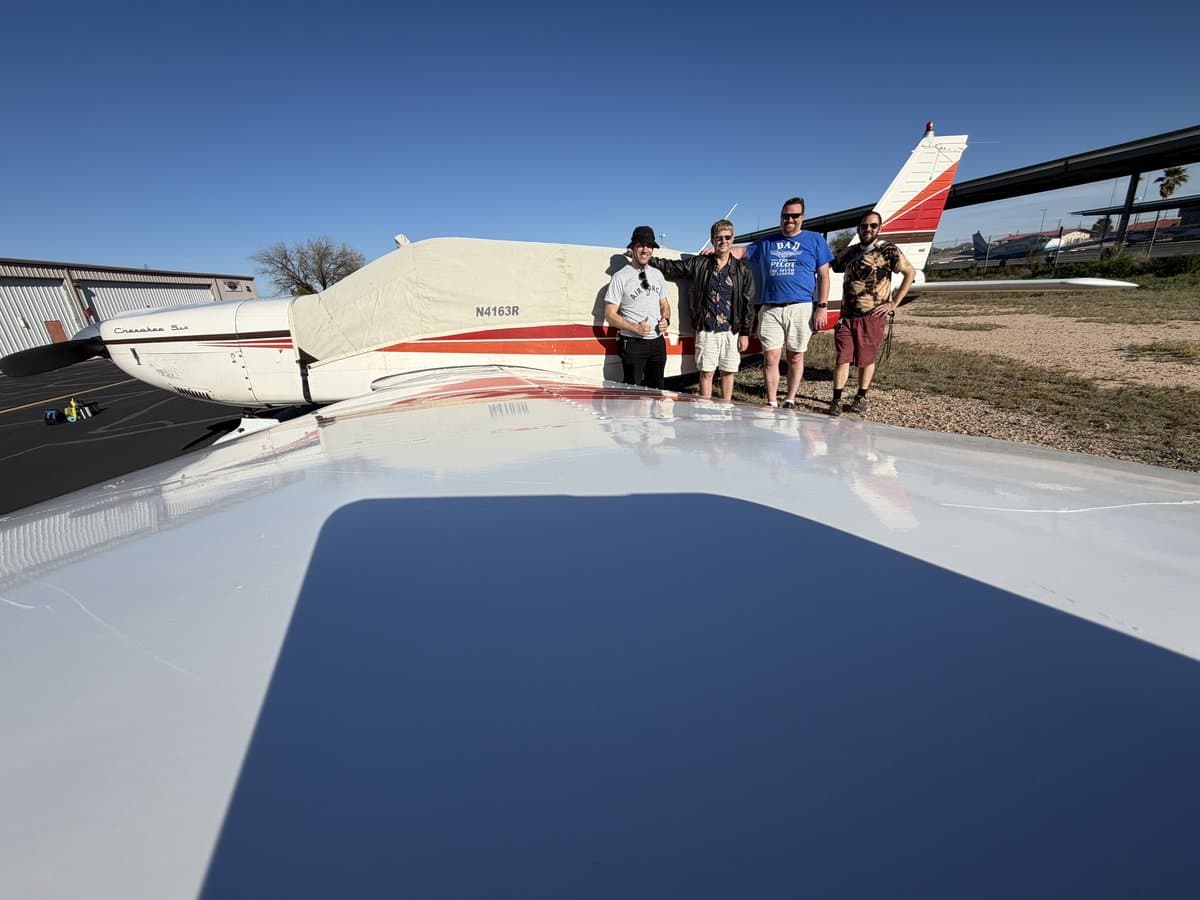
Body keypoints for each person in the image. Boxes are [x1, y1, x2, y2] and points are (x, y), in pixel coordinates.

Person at [737, 197, 833, 408]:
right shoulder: (767, 241)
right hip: (770, 306)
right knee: (770, 357)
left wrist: (822, 306)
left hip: (800, 306)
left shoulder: (815, 240)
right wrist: (720, 250)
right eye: (785, 216)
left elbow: (824, 276)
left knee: (795, 356)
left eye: (794, 216)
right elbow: (742, 252)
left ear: (802, 217)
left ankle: (790, 398)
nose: (789, 219)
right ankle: (771, 401)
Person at [649, 219, 756, 401]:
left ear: (732, 239)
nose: (723, 241)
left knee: (728, 372)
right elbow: (672, 267)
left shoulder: (742, 269)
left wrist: (745, 332)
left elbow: (748, 302)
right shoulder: (700, 263)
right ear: (713, 240)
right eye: (719, 238)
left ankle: (726, 407)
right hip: (706, 329)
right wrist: (648, 259)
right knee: (706, 373)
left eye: (727, 237)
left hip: (731, 330)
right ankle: (705, 408)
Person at [828, 210, 915, 416]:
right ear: (858, 228)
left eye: (873, 226)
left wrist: (894, 303)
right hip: (847, 316)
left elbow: (910, 272)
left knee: (866, 359)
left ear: (879, 228)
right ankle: (836, 400)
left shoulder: (888, 250)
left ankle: (861, 396)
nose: (868, 229)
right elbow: (829, 264)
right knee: (842, 357)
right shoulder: (849, 252)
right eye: (864, 226)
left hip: (872, 315)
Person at [605, 226, 672, 388]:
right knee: (632, 393)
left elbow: (665, 304)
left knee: (657, 390)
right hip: (633, 344)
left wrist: (666, 319)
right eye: (641, 245)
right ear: (632, 248)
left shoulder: (657, 275)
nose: (645, 250)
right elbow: (609, 314)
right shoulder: (620, 277)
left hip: (657, 343)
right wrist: (635, 327)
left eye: (649, 246)